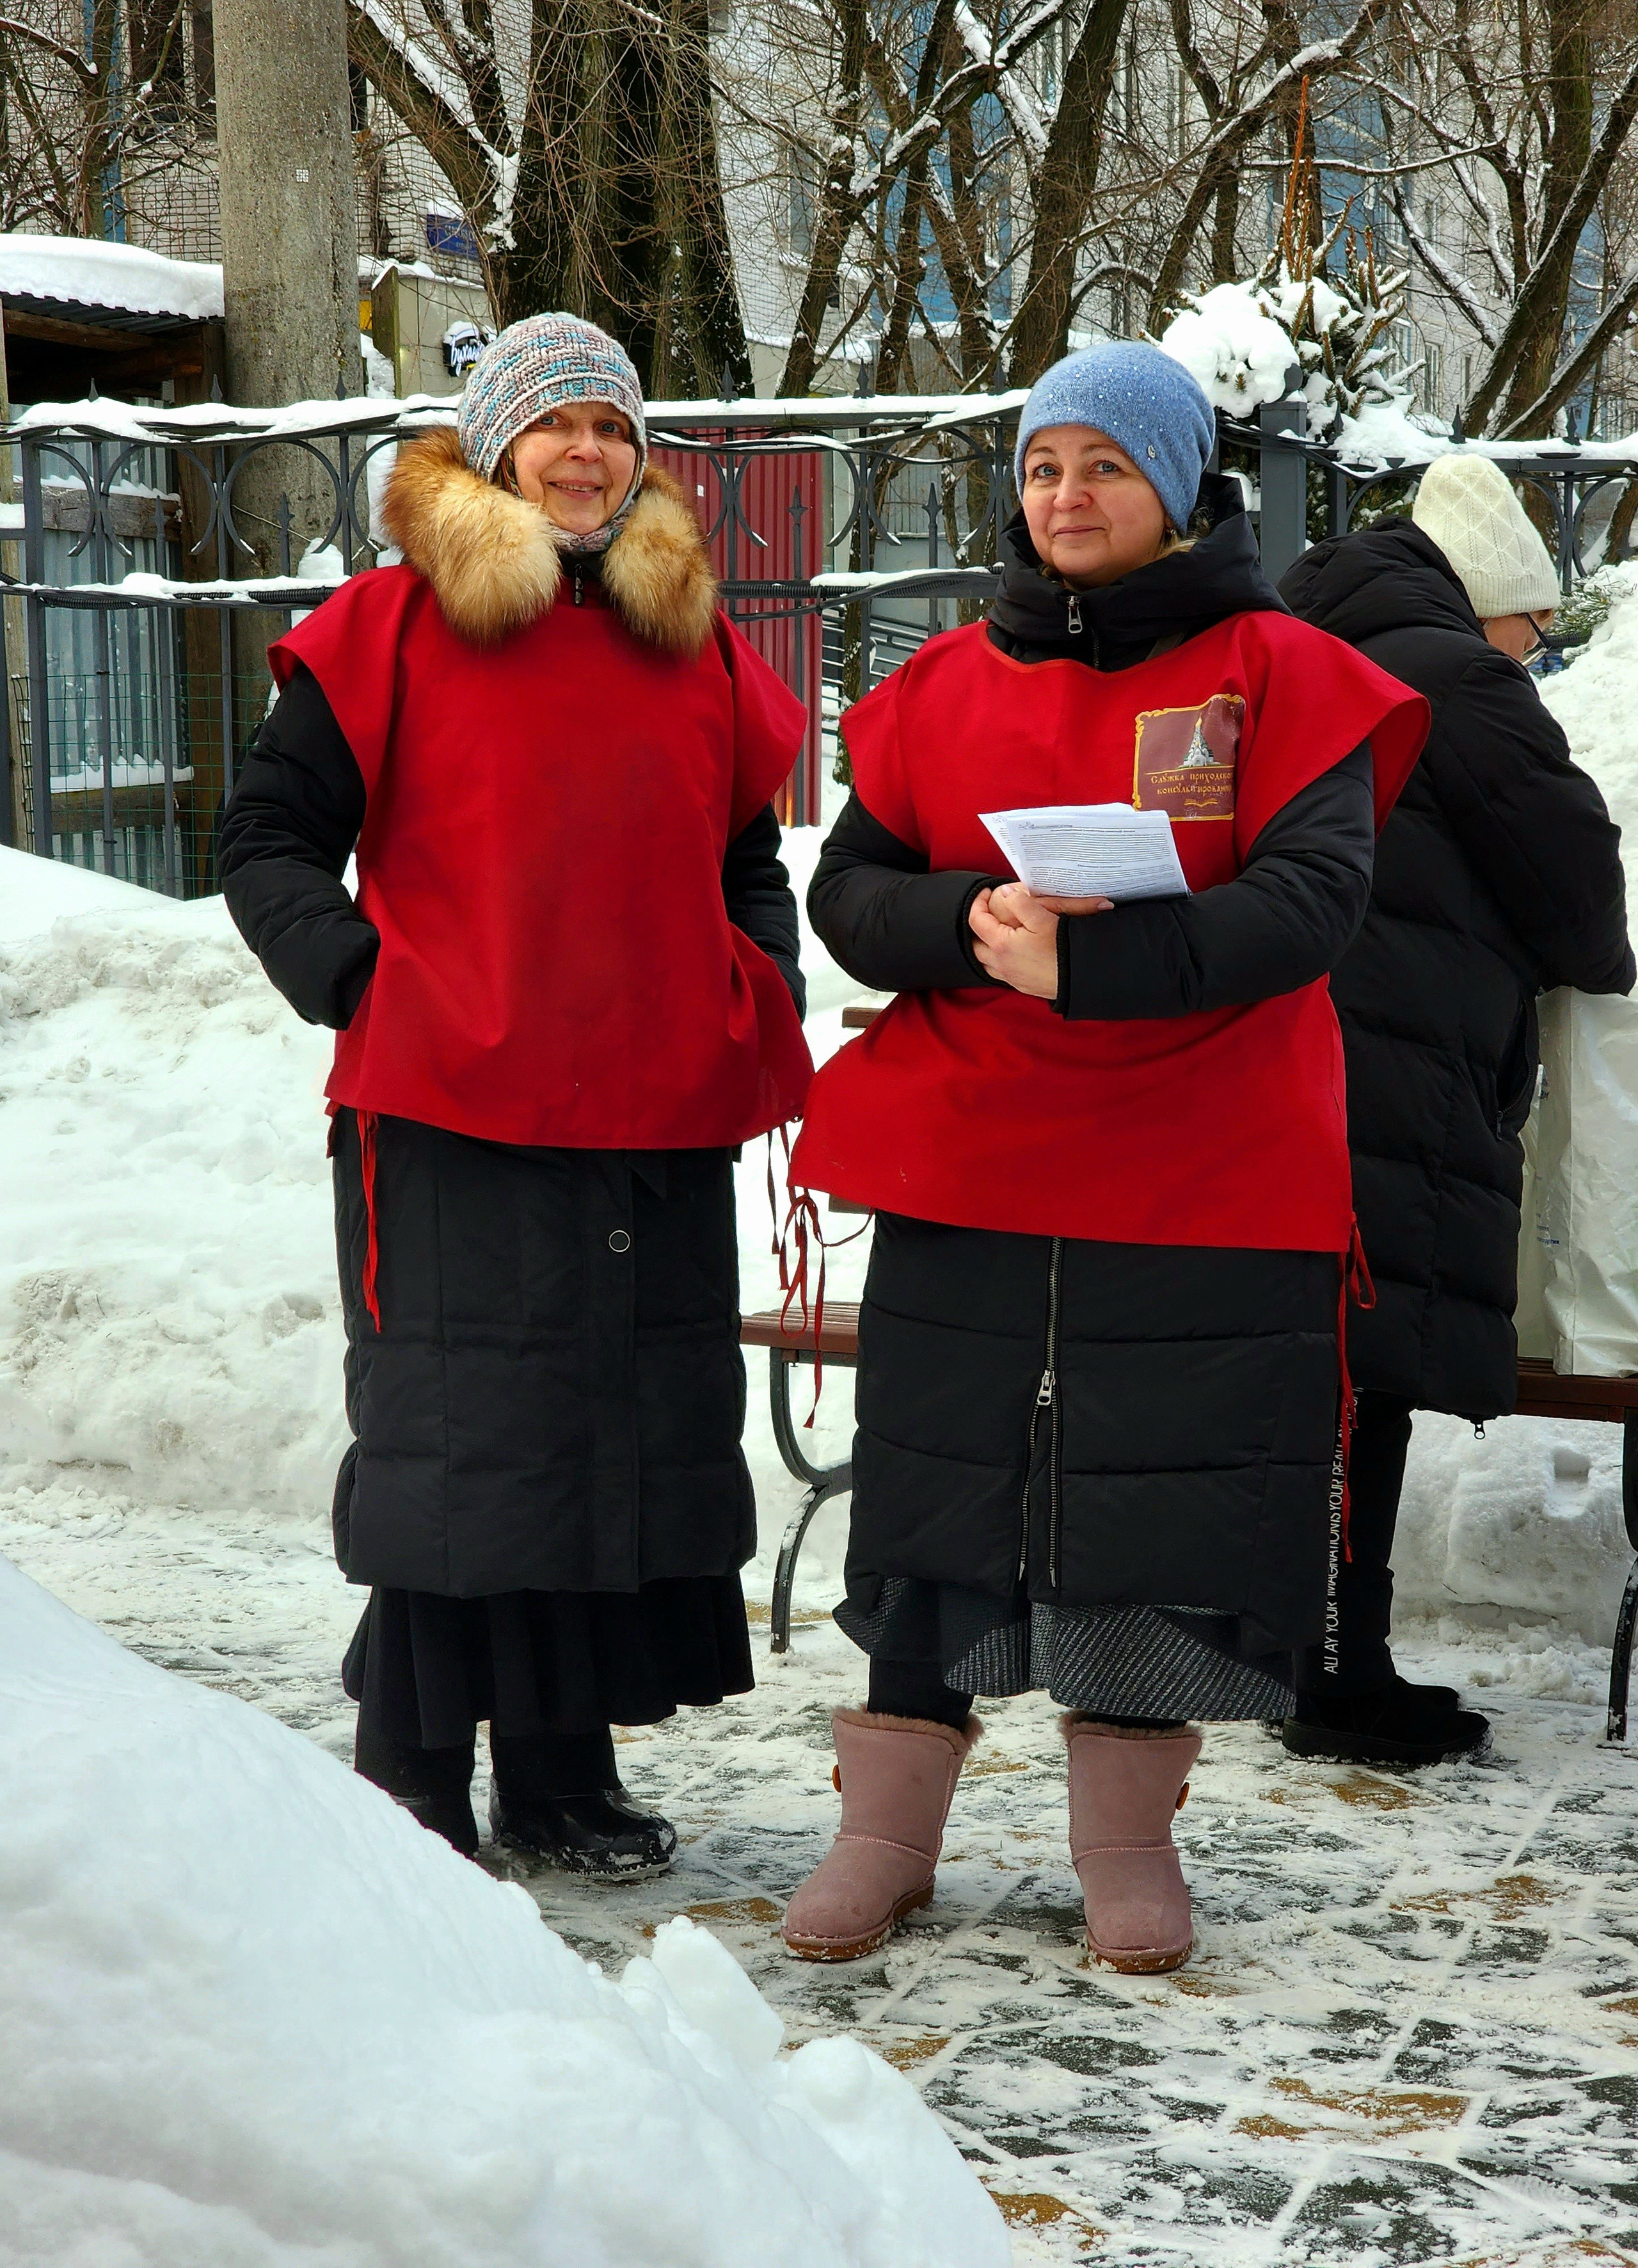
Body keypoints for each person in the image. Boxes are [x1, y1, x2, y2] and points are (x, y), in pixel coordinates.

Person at [778, 342, 1428, 1975]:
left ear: (1177, 486)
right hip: (975, 1161)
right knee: (938, 1486)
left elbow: (1310, 899)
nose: (1066, 497)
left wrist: (1096, 966)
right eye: (1044, 465)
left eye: (1105, 468)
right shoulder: (935, 683)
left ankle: (1126, 1847)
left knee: (1150, 1495)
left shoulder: (1280, 673)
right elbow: (846, 891)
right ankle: (883, 1832)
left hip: (1196, 1167)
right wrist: (963, 921)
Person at [219, 313, 813, 1871]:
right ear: (489, 446)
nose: (585, 452)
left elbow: (743, 855)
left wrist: (757, 980)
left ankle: (559, 1773)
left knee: (599, 1449)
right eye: (553, 424)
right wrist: (365, 983)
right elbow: (266, 841)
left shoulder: (690, 648)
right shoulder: (387, 630)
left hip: (649, 1119)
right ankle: (414, 1773)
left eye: (610, 427)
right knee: (462, 1450)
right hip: (446, 1117)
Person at [1279, 452, 1634, 1767]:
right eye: (1530, 631)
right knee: (1362, 1371)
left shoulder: (1289, 644)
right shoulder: (1458, 679)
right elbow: (1578, 895)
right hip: (1391, 1062)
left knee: (1308, 1361)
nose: (1534, 656)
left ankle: (1300, 1654)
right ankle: (1336, 1671)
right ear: (1488, 602)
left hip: (1268, 1052)